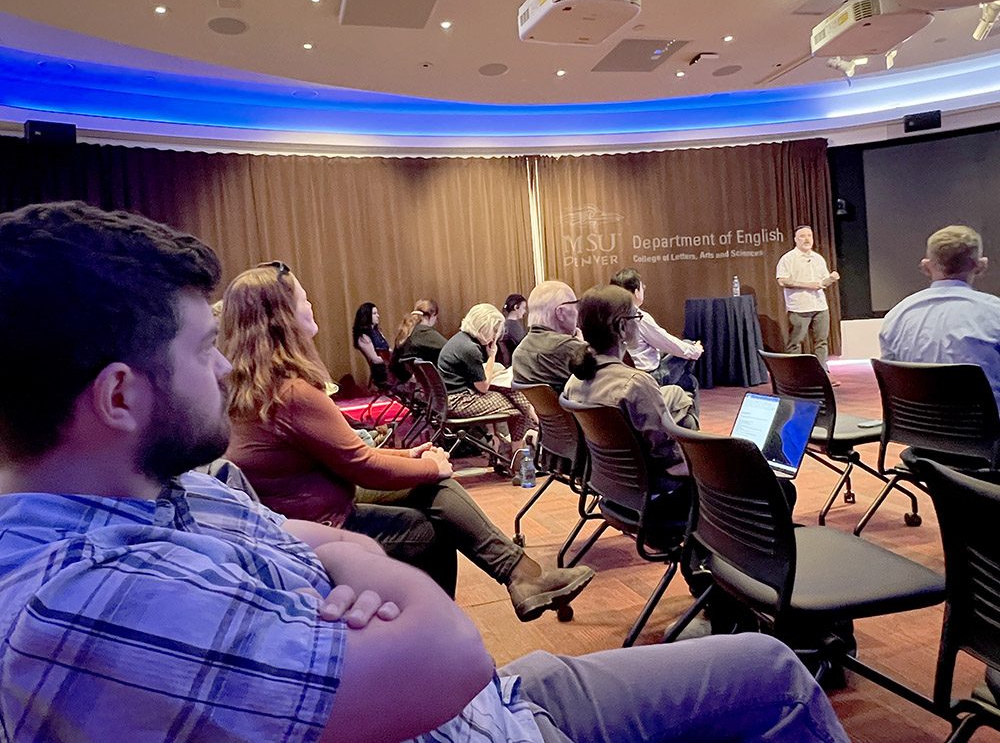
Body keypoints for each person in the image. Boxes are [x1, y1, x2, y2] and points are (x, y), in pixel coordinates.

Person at [0, 201, 850, 743]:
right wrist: (361, 577)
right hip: (488, 719)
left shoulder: (168, 486)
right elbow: (449, 656)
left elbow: (341, 561)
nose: (223, 370)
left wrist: (357, 575)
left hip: (502, 695)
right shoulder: (88, 601)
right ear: (118, 396)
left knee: (762, 665)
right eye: (198, 350)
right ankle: (520, 574)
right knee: (769, 677)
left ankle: (518, 573)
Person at [219, 263, 592, 620]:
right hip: (321, 524)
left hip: (298, 516)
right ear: (282, 315)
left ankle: (519, 577)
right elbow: (361, 466)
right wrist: (430, 465)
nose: (311, 304)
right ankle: (445, 628)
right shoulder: (291, 392)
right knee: (431, 527)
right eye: (303, 298)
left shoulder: (255, 385)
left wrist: (412, 456)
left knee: (432, 483)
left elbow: (343, 455)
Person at [563, 285, 698, 527]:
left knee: (676, 396)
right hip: (653, 494)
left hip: (612, 488)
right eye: (637, 316)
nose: (639, 321)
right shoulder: (635, 384)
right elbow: (666, 455)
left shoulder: (574, 382)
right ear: (622, 326)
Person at [880, 224, 1000, 410]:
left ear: (926, 266)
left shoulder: (896, 317)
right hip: (984, 434)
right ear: (980, 265)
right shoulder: (995, 313)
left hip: (918, 432)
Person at [438, 303, 538, 448]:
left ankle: (497, 440)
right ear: (485, 328)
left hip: (448, 399)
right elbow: (483, 387)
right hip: (459, 401)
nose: (495, 335)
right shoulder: (470, 349)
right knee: (518, 407)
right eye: (494, 330)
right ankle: (518, 450)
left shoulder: (460, 339)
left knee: (513, 396)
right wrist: (492, 356)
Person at [610, 268, 703, 416]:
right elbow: (667, 342)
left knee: (684, 349)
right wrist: (695, 351)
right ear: (635, 291)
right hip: (649, 377)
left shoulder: (607, 316)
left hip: (621, 376)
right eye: (642, 287)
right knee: (689, 368)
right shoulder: (637, 317)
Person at [776, 225, 841, 384]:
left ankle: (822, 374)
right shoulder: (788, 258)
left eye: (809, 236)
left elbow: (821, 282)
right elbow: (782, 280)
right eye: (803, 236)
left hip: (820, 306)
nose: (807, 239)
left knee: (821, 341)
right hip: (799, 307)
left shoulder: (818, 258)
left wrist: (831, 279)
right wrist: (806, 285)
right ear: (795, 239)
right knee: (796, 343)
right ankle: (795, 376)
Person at [511, 280, 586, 394]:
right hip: (574, 411)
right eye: (576, 304)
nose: (577, 311)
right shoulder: (571, 349)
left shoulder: (519, 352)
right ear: (560, 312)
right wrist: (581, 346)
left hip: (546, 411)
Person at [390, 298, 447, 382]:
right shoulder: (423, 332)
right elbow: (451, 350)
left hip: (409, 385)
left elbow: (393, 364)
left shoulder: (406, 331)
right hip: (426, 385)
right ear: (433, 315)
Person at [353, 301, 391, 385]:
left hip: (389, 365)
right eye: (374, 313)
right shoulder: (363, 337)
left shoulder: (378, 332)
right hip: (381, 370)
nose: (378, 316)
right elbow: (375, 360)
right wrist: (393, 359)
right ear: (367, 316)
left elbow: (388, 350)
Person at [497, 292, 527, 366]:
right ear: (516, 307)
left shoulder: (507, 324)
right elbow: (523, 347)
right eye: (523, 308)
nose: (525, 311)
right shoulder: (512, 326)